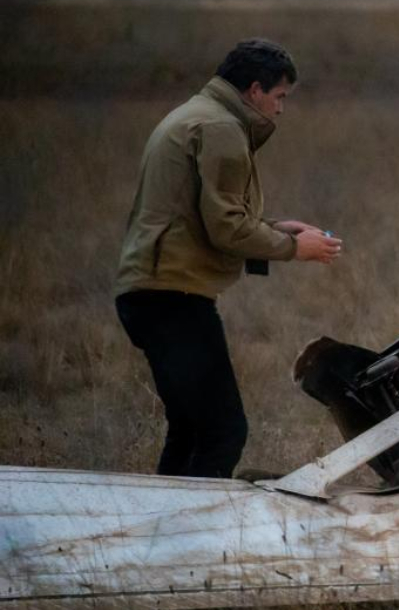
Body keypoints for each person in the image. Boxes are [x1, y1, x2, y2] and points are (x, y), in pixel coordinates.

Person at [114, 38, 342, 478]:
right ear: (255, 90)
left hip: (149, 292)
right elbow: (228, 229)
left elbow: (203, 218)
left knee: (190, 430)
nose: (280, 109)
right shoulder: (220, 129)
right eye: (279, 97)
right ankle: (190, 539)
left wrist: (277, 229)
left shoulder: (193, 115)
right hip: (172, 298)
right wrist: (296, 249)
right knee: (223, 432)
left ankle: (156, 529)